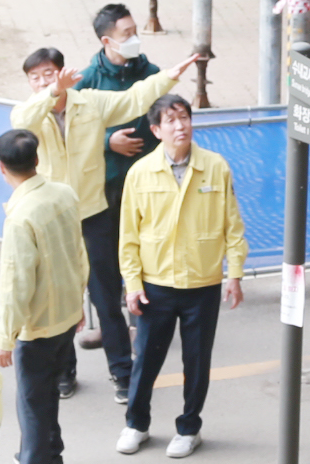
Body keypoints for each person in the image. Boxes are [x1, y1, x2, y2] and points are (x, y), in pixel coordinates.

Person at [13, 22, 190, 401]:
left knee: (105, 296)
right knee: (57, 298)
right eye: (35, 77)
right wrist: (49, 95)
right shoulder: (31, 112)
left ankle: (122, 375)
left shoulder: (90, 103)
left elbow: (134, 99)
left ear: (64, 72)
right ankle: (64, 373)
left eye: (50, 74)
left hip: (92, 214)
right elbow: (20, 124)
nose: (43, 81)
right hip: (52, 220)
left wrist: (170, 76)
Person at [116, 94, 247, 459]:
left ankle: (189, 428)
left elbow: (232, 226)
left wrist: (234, 274)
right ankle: (136, 424)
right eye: (171, 120)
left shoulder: (215, 166)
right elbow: (128, 236)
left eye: (185, 117)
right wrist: (133, 284)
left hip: (203, 284)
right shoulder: (139, 173)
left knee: (197, 360)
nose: (181, 125)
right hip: (156, 284)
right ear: (156, 130)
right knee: (146, 359)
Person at [70, 6, 165, 384]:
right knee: (105, 273)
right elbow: (71, 134)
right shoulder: (86, 81)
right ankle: (114, 339)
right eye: (127, 33)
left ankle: (142, 331)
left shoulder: (151, 74)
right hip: (104, 194)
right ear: (106, 40)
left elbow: (163, 119)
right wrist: (109, 142)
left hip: (146, 191)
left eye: (135, 30)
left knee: (148, 264)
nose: (135, 38)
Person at [0, 127, 84, 464]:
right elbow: (79, 252)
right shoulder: (64, 194)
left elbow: (16, 284)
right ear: (37, 159)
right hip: (65, 314)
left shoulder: (20, 217)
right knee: (46, 396)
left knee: (31, 401)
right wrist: (78, 303)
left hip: (37, 325)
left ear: (2, 168)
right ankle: (49, 458)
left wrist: (4, 337)